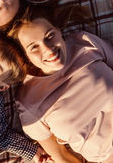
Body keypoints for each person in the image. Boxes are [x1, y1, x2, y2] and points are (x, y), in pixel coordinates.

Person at [8, 9, 113, 163]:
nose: (48, 49)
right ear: (26, 57)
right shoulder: (28, 99)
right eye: (34, 47)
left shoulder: (83, 42)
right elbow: (60, 155)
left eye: (50, 36)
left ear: (59, 31)